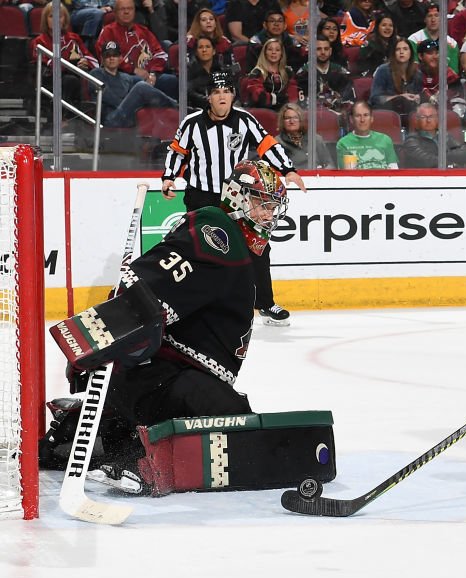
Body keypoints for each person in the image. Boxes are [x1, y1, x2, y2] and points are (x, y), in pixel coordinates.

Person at [82, 160, 290, 494]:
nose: (268, 215)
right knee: (238, 425)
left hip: (167, 376)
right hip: (163, 376)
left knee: (233, 417)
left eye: (272, 206)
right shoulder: (217, 230)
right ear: (237, 196)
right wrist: (125, 306)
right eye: (261, 203)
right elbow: (152, 288)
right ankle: (127, 455)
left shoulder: (233, 241)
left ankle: (112, 432)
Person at [161, 72, 306, 327]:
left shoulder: (245, 120)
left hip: (236, 195)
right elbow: (178, 151)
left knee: (258, 245)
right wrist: (169, 177)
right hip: (200, 195)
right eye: (216, 92)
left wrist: (288, 170)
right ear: (209, 96)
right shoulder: (192, 122)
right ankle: (196, 304)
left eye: (226, 91)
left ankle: (265, 303)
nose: (221, 96)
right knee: (200, 250)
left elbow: (267, 145)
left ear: (233, 96)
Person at [95, 0, 176, 99]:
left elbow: (160, 54)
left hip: (150, 75)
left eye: (129, 9)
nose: (126, 12)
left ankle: (179, 110)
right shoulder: (108, 31)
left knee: (172, 80)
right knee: (139, 83)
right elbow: (106, 56)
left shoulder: (143, 30)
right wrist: (133, 70)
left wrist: (153, 73)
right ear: (115, 12)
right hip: (124, 77)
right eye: (122, 9)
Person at [90, 40, 177, 127]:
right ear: (102, 58)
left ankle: (172, 110)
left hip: (128, 116)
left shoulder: (125, 77)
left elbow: (144, 88)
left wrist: (149, 79)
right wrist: (132, 101)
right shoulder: (96, 73)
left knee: (144, 85)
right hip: (110, 118)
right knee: (141, 87)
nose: (111, 58)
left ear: (120, 58)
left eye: (115, 55)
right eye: (107, 55)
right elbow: (109, 98)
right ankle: (175, 105)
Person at [30, 4, 97, 106]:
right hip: (51, 82)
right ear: (45, 20)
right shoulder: (39, 41)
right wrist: (71, 65)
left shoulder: (73, 38)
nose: (56, 20)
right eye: (52, 16)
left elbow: (94, 62)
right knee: (70, 80)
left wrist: (85, 62)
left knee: (95, 75)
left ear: (64, 20)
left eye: (59, 16)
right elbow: (46, 66)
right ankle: (63, 116)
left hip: (75, 78)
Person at [401, 101, 466, 168]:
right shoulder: (411, 140)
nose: (428, 120)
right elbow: (427, 161)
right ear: (417, 120)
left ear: (437, 119)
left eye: (431, 116)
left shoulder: (444, 135)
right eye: (423, 117)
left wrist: (442, 155)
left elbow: (465, 153)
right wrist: (452, 163)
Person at [296, 36, 354, 114]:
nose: (323, 52)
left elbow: (349, 101)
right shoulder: (303, 73)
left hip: (339, 117)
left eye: (326, 49)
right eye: (318, 49)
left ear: (330, 51)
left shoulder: (341, 72)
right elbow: (302, 105)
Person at [336, 100, 400, 169]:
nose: (362, 120)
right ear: (351, 119)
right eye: (358, 116)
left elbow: (394, 172)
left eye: (366, 115)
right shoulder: (343, 144)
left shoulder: (385, 140)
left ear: (371, 118)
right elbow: (346, 176)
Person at [370, 38, 424, 119]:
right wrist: (399, 97)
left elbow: (420, 95)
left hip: (410, 114)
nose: (401, 52)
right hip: (387, 114)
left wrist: (418, 98)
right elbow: (375, 99)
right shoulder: (383, 70)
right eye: (398, 49)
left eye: (405, 49)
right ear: (394, 53)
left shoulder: (417, 73)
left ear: (411, 53)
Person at [241, 38, 299, 110]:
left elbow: (293, 94)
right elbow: (259, 98)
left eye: (277, 50)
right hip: (261, 111)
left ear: (281, 54)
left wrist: (287, 104)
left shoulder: (288, 71)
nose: (273, 52)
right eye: (270, 49)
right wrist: (280, 99)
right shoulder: (256, 73)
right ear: (265, 52)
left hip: (283, 110)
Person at [245, 7, 307, 72]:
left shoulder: (292, 42)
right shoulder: (256, 42)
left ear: (285, 26)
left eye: (280, 21)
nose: (276, 24)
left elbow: (297, 67)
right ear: (265, 25)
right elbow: (252, 68)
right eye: (272, 21)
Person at [277, 102, 335, 168]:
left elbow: (329, 165)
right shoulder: (276, 143)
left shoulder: (315, 139)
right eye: (288, 118)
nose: (292, 121)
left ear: (301, 120)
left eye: (295, 117)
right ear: (282, 121)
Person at [409, 3, 461, 73]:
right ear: (424, 19)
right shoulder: (414, 40)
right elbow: (414, 69)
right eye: (429, 16)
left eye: (437, 16)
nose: (433, 20)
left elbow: (454, 72)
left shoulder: (452, 44)